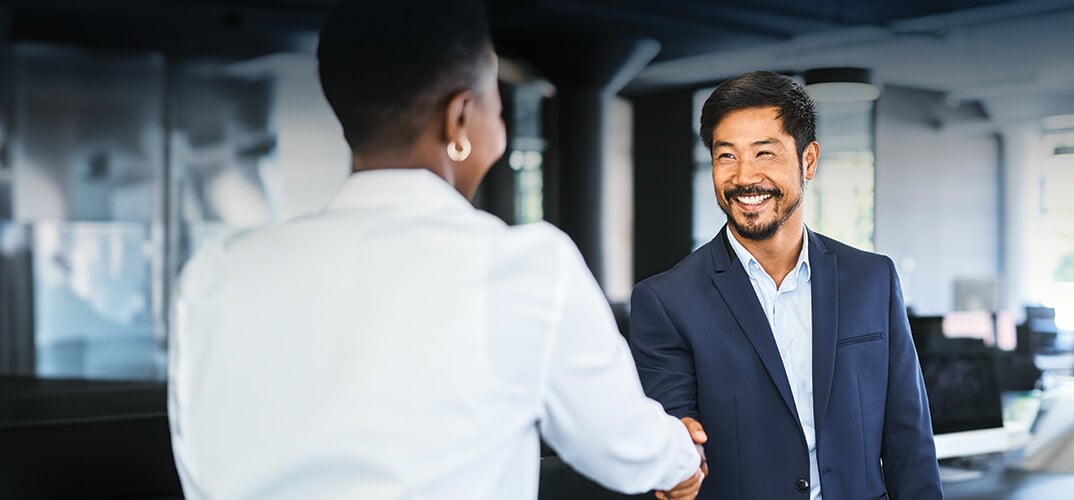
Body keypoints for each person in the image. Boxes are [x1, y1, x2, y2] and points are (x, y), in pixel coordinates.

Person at [166, 1, 705, 499]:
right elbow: (623, 447)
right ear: (460, 119)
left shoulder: (216, 271)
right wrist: (682, 456)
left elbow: (198, 465)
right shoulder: (524, 267)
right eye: (496, 102)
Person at [628, 71, 942, 500]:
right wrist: (676, 452)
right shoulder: (666, 301)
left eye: (764, 153)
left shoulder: (872, 280)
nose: (743, 177)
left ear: (808, 160)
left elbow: (909, 437)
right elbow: (673, 433)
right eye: (726, 156)